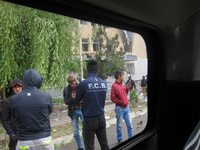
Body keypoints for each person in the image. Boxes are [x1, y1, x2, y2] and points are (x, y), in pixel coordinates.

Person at [10, 69, 54, 150]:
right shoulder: (46, 96)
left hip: (24, 141)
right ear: (37, 80)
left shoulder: (14, 99)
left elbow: (14, 115)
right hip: (44, 139)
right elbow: (49, 112)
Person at [74, 59, 109, 150]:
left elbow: (77, 101)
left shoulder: (83, 84)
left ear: (86, 71)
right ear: (98, 71)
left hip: (89, 120)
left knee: (90, 147)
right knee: (104, 144)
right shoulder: (104, 83)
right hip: (101, 118)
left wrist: (81, 100)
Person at [111, 70, 133, 143]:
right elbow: (112, 98)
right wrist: (120, 102)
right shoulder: (114, 86)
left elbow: (124, 93)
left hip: (126, 107)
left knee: (129, 124)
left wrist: (127, 88)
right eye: (122, 76)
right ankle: (119, 139)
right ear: (119, 76)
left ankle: (131, 137)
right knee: (119, 125)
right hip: (119, 108)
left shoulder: (122, 84)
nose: (123, 77)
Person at [63, 75, 84, 150]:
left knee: (85, 129)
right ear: (68, 83)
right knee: (76, 132)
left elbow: (85, 97)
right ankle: (80, 147)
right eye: (71, 84)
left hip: (82, 109)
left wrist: (82, 100)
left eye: (73, 83)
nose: (72, 85)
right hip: (73, 111)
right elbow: (66, 102)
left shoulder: (80, 86)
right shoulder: (66, 90)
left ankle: (88, 146)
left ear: (75, 80)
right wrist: (72, 98)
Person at [1, 78, 23, 150]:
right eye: (15, 87)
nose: (17, 89)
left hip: (26, 133)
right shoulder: (8, 102)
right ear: (12, 88)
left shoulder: (27, 100)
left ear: (22, 87)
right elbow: (4, 119)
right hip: (15, 134)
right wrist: (11, 133)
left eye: (19, 86)